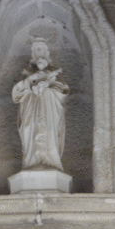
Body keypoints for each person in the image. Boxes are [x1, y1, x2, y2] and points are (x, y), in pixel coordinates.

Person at [12, 40, 69, 170]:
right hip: (31, 109)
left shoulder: (55, 73)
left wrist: (48, 85)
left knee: (50, 131)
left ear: (46, 53)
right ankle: (31, 161)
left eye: (41, 49)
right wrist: (30, 82)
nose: (39, 52)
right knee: (30, 131)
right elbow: (16, 94)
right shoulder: (27, 73)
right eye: (36, 49)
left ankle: (51, 161)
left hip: (49, 108)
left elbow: (63, 91)